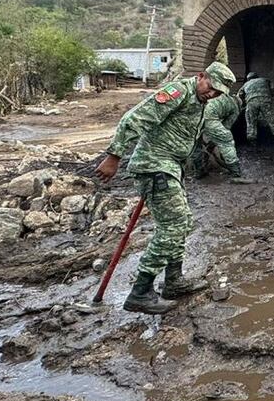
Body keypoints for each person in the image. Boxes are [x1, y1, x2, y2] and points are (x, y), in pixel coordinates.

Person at [95, 62, 236, 314]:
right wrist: (114, 156)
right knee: (174, 224)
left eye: (218, 93)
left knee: (183, 221)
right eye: (211, 87)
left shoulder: (202, 103)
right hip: (154, 165)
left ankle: (174, 280)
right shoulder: (178, 92)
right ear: (201, 76)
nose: (212, 94)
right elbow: (134, 118)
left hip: (171, 166)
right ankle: (140, 292)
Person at [192, 93, 252, 183]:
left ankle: (199, 171)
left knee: (195, 145)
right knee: (226, 140)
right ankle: (236, 174)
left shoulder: (222, 95)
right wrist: (215, 141)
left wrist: (212, 141)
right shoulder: (236, 107)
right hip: (209, 114)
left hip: (195, 115)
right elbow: (226, 126)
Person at [241, 72, 274, 153]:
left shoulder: (246, 84)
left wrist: (245, 101)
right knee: (273, 122)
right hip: (265, 102)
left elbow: (240, 95)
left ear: (248, 79)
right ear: (257, 76)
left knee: (251, 124)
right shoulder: (265, 80)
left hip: (251, 104)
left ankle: (254, 147)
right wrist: (270, 95)